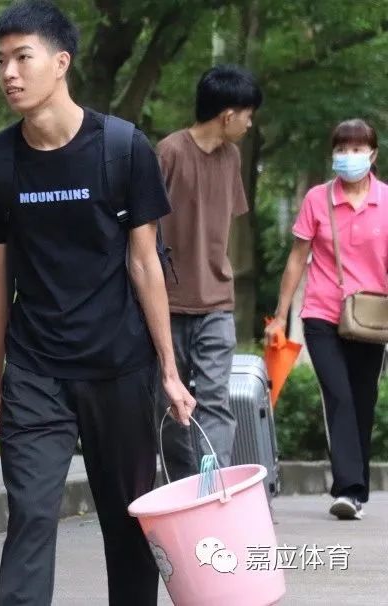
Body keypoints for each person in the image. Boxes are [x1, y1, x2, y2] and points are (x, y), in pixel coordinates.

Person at [0, 2, 196, 604]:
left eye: (23, 57)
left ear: (61, 62)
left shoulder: (122, 147)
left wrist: (169, 371)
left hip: (119, 364)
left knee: (128, 518)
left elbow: (144, 262)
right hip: (35, 369)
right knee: (30, 515)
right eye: (0, 61)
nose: (9, 73)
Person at [266, 118, 387, 521]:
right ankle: (348, 490)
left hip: (371, 318)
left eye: (357, 149)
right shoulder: (318, 199)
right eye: (341, 149)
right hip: (322, 314)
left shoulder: (386, 201)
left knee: (363, 400)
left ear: (372, 154)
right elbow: (297, 258)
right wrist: (280, 315)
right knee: (339, 395)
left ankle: (356, 490)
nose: (348, 156)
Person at [156, 65, 263, 480]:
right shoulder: (169, 152)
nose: (249, 123)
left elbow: (225, 224)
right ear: (227, 114)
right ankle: (185, 490)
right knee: (172, 407)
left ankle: (214, 487)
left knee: (215, 401)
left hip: (217, 302)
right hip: (168, 303)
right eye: (247, 114)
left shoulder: (232, 157)